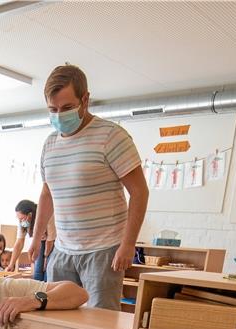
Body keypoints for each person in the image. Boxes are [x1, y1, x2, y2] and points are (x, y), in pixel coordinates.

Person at [26, 65, 149, 309]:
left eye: (67, 108)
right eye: (53, 110)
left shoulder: (111, 136)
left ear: (85, 100)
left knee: (99, 325)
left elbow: (139, 192)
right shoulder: (49, 144)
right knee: (56, 318)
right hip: (62, 251)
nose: (60, 115)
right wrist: (37, 236)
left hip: (103, 251)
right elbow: (47, 193)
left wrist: (127, 244)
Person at [7, 199, 56, 280]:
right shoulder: (23, 222)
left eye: (22, 218)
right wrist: (11, 264)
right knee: (37, 270)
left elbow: (50, 240)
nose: (20, 221)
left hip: (53, 241)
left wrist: (46, 259)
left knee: (48, 270)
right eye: (19, 218)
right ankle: (37, 290)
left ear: (30, 215)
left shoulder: (47, 215)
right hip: (40, 241)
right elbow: (19, 242)